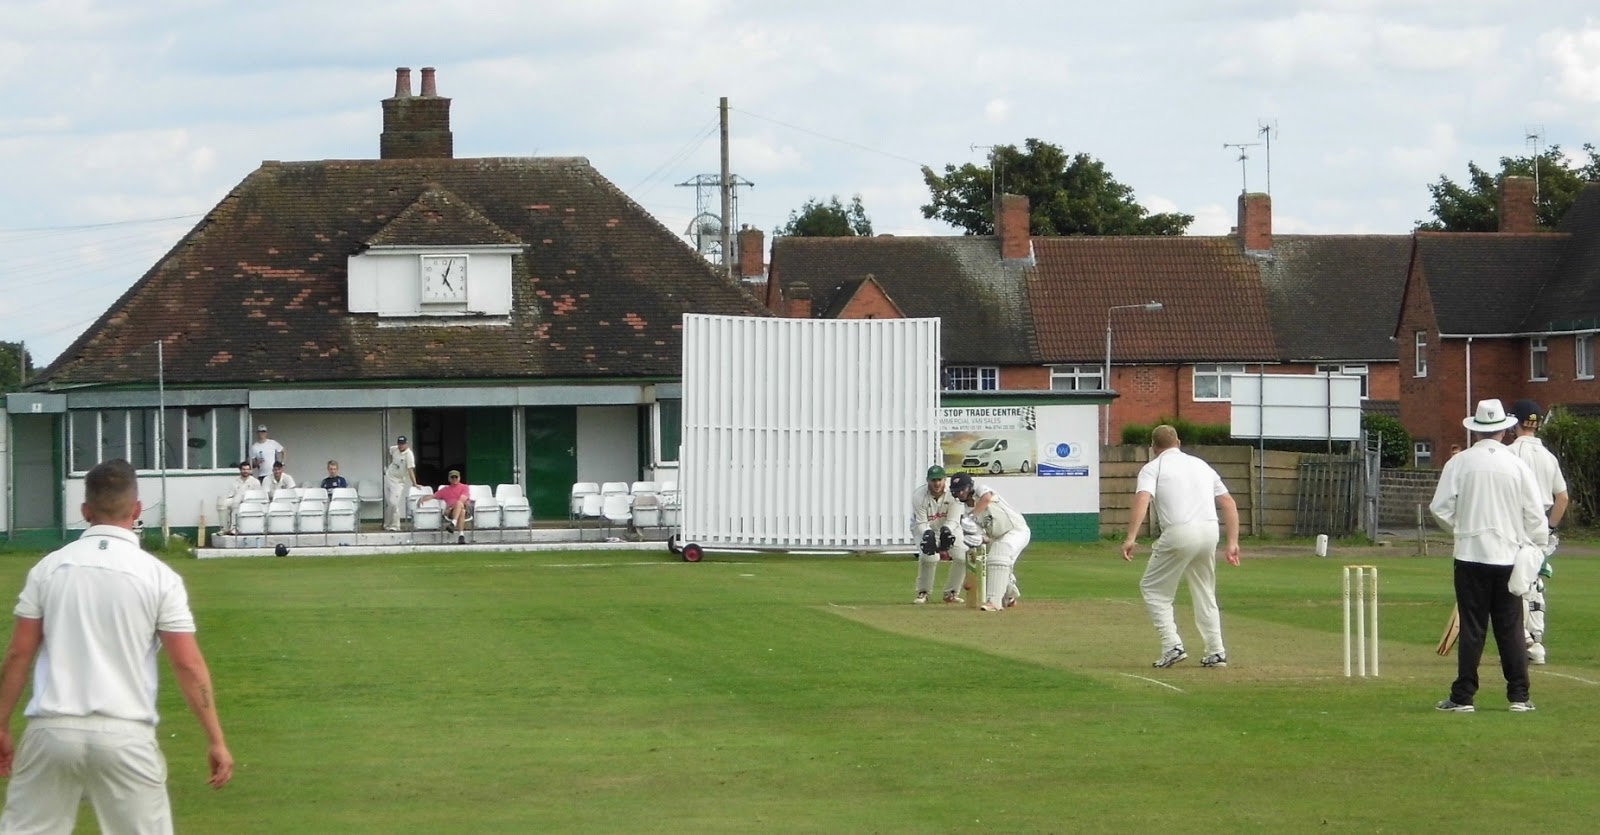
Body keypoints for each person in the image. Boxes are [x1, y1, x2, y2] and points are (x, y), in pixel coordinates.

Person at [0, 459, 233, 832]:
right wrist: (216, 739)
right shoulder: (159, 577)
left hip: (52, 730)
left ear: (85, 511)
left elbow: (19, 653)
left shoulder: (48, 568)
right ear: (137, 509)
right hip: (125, 734)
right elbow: (188, 664)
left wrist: (1, 725)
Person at [1430, 399, 1549, 713]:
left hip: (1470, 555)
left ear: (1476, 430)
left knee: (1472, 627)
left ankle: (1463, 697)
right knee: (1510, 628)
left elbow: (1439, 508)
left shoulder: (1460, 463)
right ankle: (1519, 696)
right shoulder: (1516, 465)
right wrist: (1534, 547)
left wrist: (1462, 528)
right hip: (1509, 557)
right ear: (1504, 430)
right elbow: (1536, 516)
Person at [1121, 424, 1241, 669]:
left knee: (1153, 588)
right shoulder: (1201, 465)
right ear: (1179, 442)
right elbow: (1228, 503)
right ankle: (1216, 651)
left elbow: (1143, 498)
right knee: (1205, 590)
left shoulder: (1152, 467)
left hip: (1179, 532)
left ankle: (1172, 645)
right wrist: (1232, 543)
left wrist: (1131, 537)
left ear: (1153, 447)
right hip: (1209, 532)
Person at [1505, 399, 1568, 665]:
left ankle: (1526, 641)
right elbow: (1562, 498)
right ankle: (1536, 640)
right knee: (1535, 583)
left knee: (1513, 585)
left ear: (1514, 423)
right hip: (1541, 526)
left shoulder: (1508, 453)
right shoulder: (1549, 457)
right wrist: (1549, 529)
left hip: (1515, 525)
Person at [949, 473, 1027, 612]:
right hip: (998, 537)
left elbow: (986, 498)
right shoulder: (966, 514)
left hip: (1017, 529)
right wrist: (979, 539)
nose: (960, 493)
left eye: (963, 489)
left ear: (970, 487)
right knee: (999, 564)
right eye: (957, 491)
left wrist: (973, 516)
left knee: (1000, 553)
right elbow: (985, 537)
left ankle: (994, 602)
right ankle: (1010, 597)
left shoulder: (982, 490)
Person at [909, 465, 967, 604]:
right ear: (927, 480)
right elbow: (922, 522)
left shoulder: (954, 494)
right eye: (933, 480)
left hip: (950, 527)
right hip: (924, 527)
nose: (936, 483)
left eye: (939, 480)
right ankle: (923, 592)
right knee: (929, 557)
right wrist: (928, 533)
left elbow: (954, 519)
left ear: (945, 479)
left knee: (962, 556)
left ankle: (951, 593)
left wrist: (946, 531)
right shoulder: (919, 496)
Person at [420, 469, 473, 543]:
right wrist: (422, 499)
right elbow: (433, 496)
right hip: (452, 512)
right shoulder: (445, 490)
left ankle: (453, 523)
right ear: (449, 479)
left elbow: (462, 500)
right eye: (452, 477)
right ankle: (461, 535)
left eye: (456, 477)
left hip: (464, 508)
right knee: (461, 511)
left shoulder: (464, 487)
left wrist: (451, 507)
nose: (454, 479)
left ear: (459, 478)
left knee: (460, 505)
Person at [383, 435, 418, 532]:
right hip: (389, 477)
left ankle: (395, 525)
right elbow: (388, 452)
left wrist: (414, 483)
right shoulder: (395, 449)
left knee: (394, 503)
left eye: (403, 444)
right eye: (399, 444)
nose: (401, 446)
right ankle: (387, 524)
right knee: (389, 503)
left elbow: (410, 470)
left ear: (406, 444)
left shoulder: (409, 455)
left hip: (398, 482)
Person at [217, 461, 259, 535]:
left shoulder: (255, 482)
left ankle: (234, 528)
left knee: (236, 502)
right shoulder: (236, 481)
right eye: (243, 469)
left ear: (250, 470)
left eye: (247, 469)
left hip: (250, 503)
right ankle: (224, 529)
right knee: (222, 503)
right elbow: (231, 494)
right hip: (236, 500)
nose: (245, 471)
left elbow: (258, 496)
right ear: (240, 470)